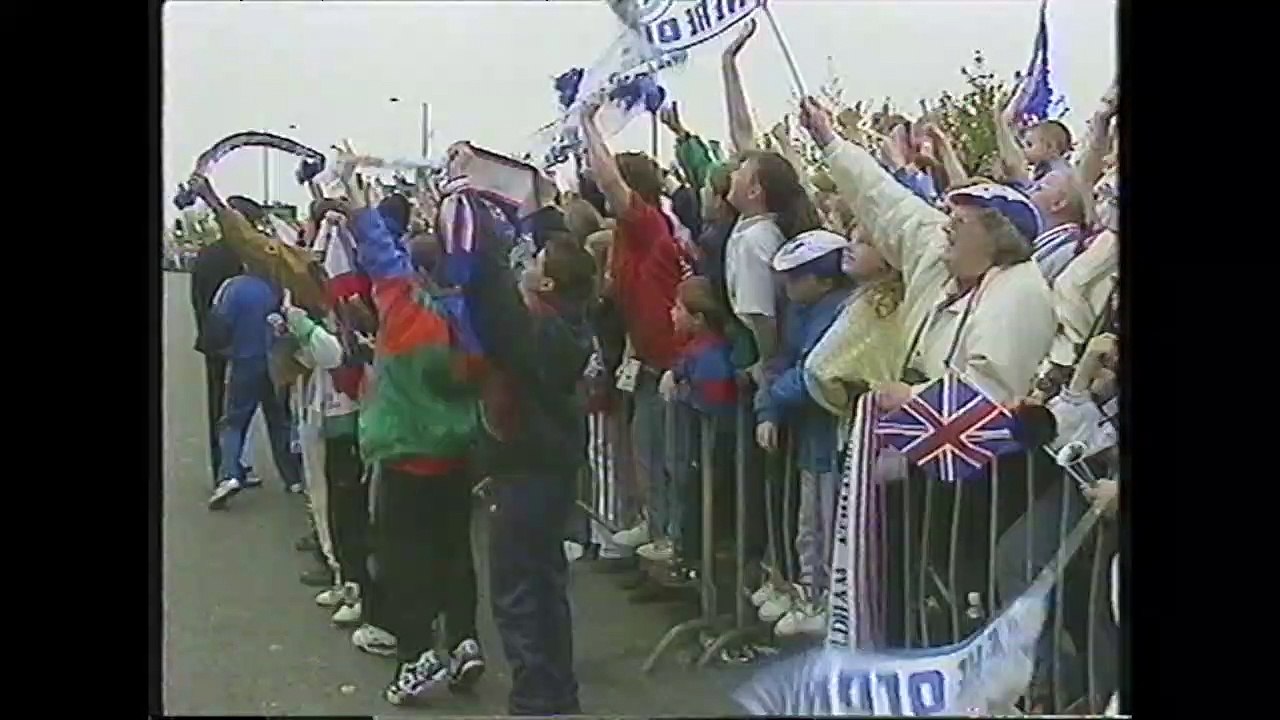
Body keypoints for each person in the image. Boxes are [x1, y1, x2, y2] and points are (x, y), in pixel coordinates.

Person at [799, 96, 1057, 644]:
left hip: (978, 482)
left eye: (957, 224)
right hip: (916, 465)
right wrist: (829, 141)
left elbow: (990, 396)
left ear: (995, 237)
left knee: (954, 592)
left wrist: (911, 399)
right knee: (909, 584)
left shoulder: (1020, 292)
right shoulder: (939, 264)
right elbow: (886, 203)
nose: (942, 232)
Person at [342, 176, 486, 707]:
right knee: (455, 550)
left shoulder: (402, 306)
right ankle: (465, 639)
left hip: (406, 453)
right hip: (457, 451)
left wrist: (357, 200)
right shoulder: (468, 315)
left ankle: (416, 655)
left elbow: (377, 248)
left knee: (404, 559)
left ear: (412, 268)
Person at [463, 197, 594, 715]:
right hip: (547, 468)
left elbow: (493, 296)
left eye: (536, 261)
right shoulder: (564, 323)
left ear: (546, 286)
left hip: (527, 471)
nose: (528, 262)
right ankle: (556, 691)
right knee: (545, 586)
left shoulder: (540, 331)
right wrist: (516, 197)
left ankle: (538, 698)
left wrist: (474, 217)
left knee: (519, 593)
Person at [580, 97, 688, 560]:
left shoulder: (648, 226)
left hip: (673, 365)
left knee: (670, 460)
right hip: (644, 360)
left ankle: (676, 539)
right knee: (646, 456)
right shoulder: (624, 237)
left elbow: (608, 179)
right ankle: (657, 527)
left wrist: (586, 124)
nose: (605, 197)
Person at [997, 333, 1120, 713]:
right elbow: (1070, 440)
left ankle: (1102, 700)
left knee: (1107, 596)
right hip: (1093, 476)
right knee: (1019, 558)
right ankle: (1048, 690)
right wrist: (1082, 378)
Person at [752, 230, 853, 635]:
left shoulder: (838, 311)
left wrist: (772, 398)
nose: (788, 285)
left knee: (827, 521)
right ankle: (809, 593)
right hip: (810, 436)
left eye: (798, 277)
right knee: (808, 519)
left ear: (825, 280)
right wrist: (769, 404)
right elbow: (783, 360)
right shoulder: (800, 310)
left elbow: (815, 371)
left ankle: (825, 600)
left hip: (831, 436)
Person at [652, 276, 738, 577]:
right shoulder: (696, 349)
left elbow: (713, 401)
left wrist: (683, 390)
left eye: (679, 308)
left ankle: (696, 561)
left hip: (707, 451)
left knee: (700, 498)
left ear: (699, 318)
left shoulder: (711, 355)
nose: (672, 313)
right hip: (696, 451)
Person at [190, 234, 256, 486]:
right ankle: (236, 465)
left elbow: (197, 298)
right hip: (242, 341)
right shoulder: (242, 255)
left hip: (212, 339)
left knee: (217, 402)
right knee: (242, 405)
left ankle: (221, 467)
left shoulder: (205, 254)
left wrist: (205, 330)